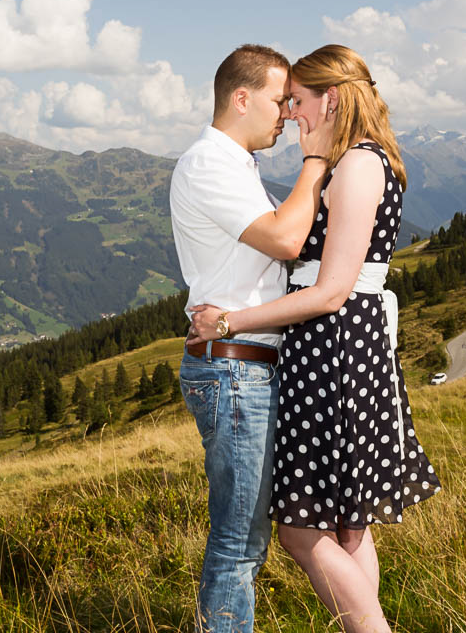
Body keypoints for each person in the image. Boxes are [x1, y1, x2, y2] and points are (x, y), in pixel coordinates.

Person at [188, 45, 442, 633]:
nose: (291, 115)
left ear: (330, 98)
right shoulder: (360, 161)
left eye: (297, 101)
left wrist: (229, 322)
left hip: (334, 347)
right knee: (349, 524)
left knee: (303, 529)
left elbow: (330, 291)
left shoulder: (356, 164)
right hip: (342, 347)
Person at [169, 43, 336, 633]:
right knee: (239, 543)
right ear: (241, 98)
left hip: (244, 363)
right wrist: (315, 162)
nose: (287, 113)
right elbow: (285, 241)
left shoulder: (236, 165)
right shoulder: (208, 164)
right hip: (235, 369)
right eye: (278, 99)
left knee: (245, 539)